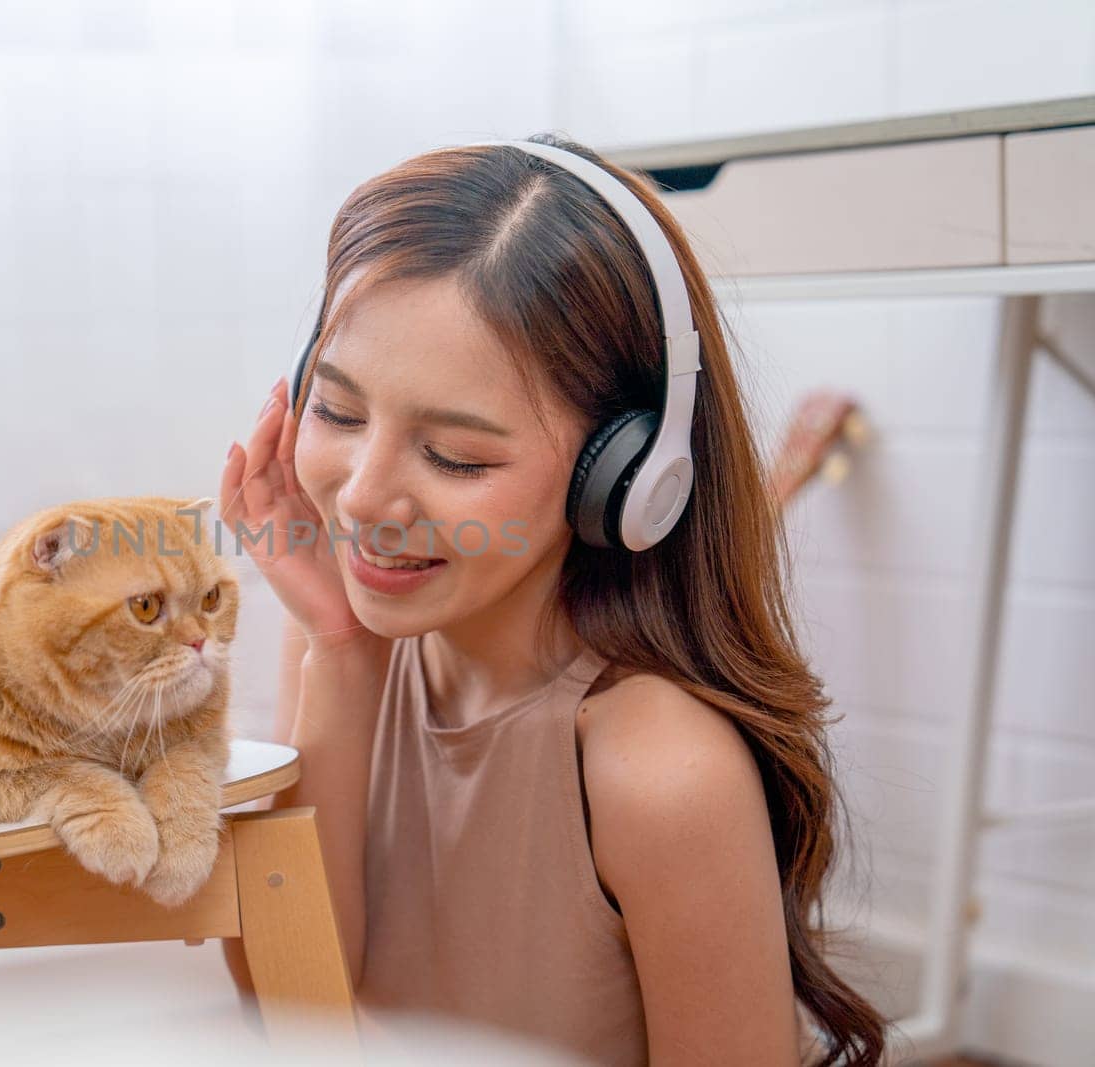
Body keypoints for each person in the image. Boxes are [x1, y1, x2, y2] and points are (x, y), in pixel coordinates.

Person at [215, 133, 886, 1066]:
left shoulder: (660, 771)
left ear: (626, 475)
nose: (363, 497)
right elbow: (297, 1008)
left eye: (456, 456)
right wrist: (338, 647)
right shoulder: (343, 641)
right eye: (336, 411)